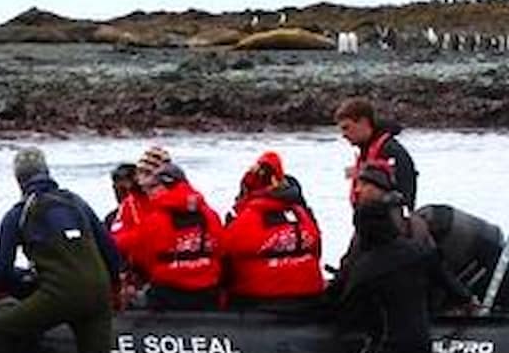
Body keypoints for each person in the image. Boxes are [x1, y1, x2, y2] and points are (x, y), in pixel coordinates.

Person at [0, 147, 120, 353]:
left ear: (18, 180)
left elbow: (0, 270)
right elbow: (110, 252)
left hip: (62, 293)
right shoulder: (77, 202)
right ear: (47, 172)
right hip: (99, 291)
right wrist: (115, 287)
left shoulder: (18, 213)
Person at [326, 166, 471, 353]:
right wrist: (465, 302)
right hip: (423, 346)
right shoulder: (421, 252)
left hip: (387, 352)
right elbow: (452, 287)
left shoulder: (366, 268)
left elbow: (346, 312)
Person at [112, 146, 224, 309]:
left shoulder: (157, 219)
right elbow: (220, 246)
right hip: (204, 288)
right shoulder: (206, 212)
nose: (143, 182)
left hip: (167, 288)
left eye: (149, 176)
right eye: (141, 174)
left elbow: (142, 252)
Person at [219, 150, 325, 301]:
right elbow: (317, 250)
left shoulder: (245, 219)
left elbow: (224, 258)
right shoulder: (303, 215)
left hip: (261, 298)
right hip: (310, 294)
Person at [336, 97, 418, 206]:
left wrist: (379, 197)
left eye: (346, 127)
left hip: (389, 220)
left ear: (363, 122)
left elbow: (406, 197)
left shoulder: (392, 152)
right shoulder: (366, 151)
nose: (344, 135)